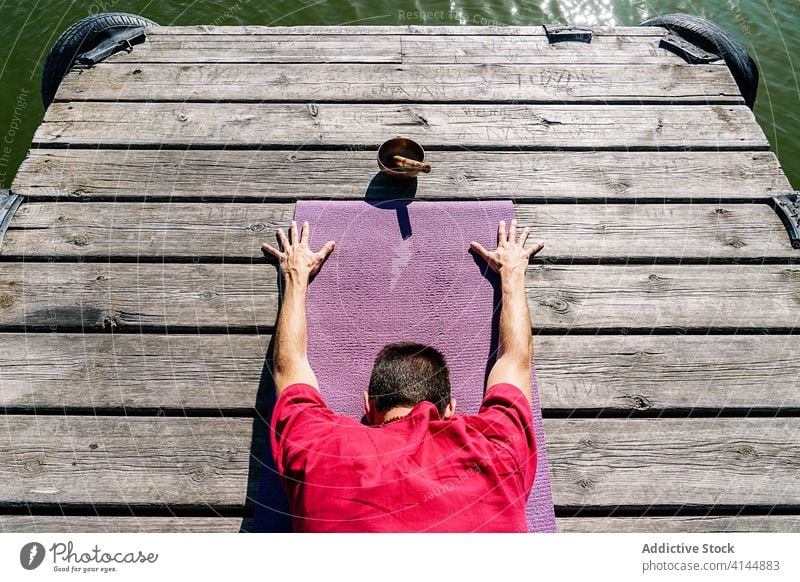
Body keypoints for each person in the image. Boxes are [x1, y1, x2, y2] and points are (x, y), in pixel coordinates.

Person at [261, 218, 544, 532]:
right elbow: (515, 361)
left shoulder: (322, 449)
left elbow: (290, 367)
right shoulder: (496, 448)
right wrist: (512, 273)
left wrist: (295, 276)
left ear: (368, 406)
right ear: (450, 408)